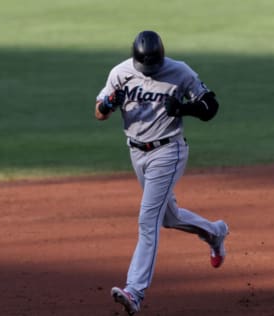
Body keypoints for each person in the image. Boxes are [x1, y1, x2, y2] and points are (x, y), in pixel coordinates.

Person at [95, 30, 229, 315]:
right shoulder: (120, 72)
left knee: (148, 220)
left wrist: (183, 108)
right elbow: (100, 112)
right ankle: (214, 232)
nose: (151, 71)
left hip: (168, 151)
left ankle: (135, 291)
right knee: (168, 216)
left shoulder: (179, 72)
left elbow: (210, 106)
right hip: (136, 152)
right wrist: (108, 103)